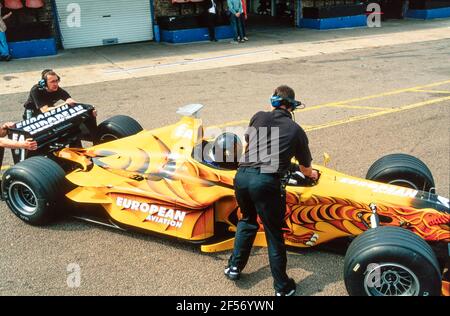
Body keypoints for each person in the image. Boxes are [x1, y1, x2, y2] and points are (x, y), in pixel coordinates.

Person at [224, 85, 318, 296]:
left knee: (247, 220)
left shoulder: (258, 117)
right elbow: (306, 169)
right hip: (265, 182)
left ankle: (234, 267)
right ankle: (282, 288)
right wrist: (309, 174)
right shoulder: (296, 130)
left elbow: (251, 143)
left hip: (242, 177)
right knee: (274, 234)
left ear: (273, 102)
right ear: (292, 106)